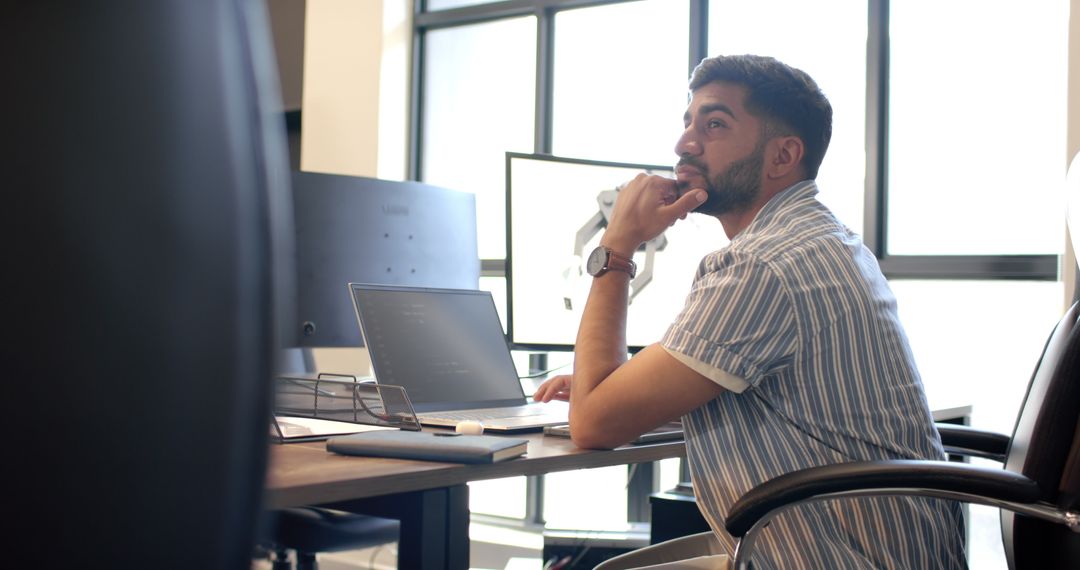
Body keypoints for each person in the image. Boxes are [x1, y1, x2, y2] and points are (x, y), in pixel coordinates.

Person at [533, 54, 967, 569]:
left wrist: (619, 245)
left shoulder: (763, 264)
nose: (684, 144)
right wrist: (619, 388)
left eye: (714, 124)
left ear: (782, 156)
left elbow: (592, 425)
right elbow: (784, 395)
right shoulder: (822, 239)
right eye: (688, 122)